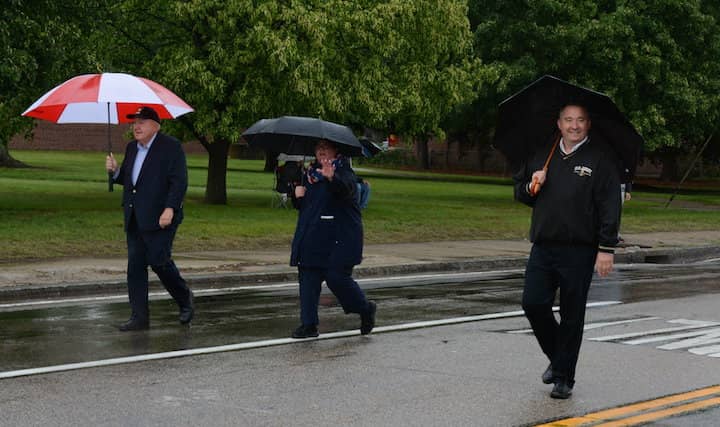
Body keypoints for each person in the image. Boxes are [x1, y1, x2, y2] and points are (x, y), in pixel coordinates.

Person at [513, 104, 620, 399]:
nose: (574, 125)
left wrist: (606, 248)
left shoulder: (600, 159)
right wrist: (531, 187)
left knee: (572, 315)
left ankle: (564, 379)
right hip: (543, 245)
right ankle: (560, 360)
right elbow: (520, 191)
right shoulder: (542, 154)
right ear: (558, 123)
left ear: (588, 124)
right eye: (569, 120)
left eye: (581, 120)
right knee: (533, 304)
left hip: (580, 250)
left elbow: (610, 205)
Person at [105, 106, 194, 331]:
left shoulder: (170, 147)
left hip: (161, 216)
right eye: (135, 122)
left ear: (156, 125)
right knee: (135, 267)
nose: (137, 126)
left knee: (159, 261)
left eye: (142, 122)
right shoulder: (132, 148)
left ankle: (185, 299)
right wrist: (115, 172)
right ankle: (139, 317)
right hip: (135, 216)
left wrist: (170, 208)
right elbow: (130, 179)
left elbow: (179, 181)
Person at [289, 139, 377, 339]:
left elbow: (346, 190)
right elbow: (308, 208)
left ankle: (365, 308)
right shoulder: (309, 175)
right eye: (318, 146)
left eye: (325, 147)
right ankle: (308, 324)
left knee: (336, 278)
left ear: (336, 150)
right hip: (313, 236)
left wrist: (332, 178)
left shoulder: (344, 173)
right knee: (308, 276)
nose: (321, 150)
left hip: (340, 238)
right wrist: (298, 196)